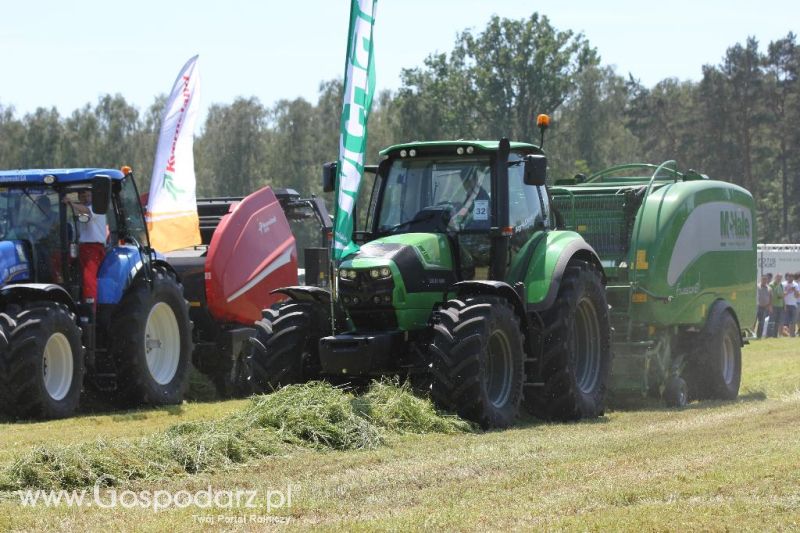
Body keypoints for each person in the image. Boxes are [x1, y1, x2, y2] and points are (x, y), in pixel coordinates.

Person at [64, 190, 107, 306]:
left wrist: (71, 204)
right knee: (58, 260)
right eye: (83, 196)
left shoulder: (97, 208)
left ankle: (90, 307)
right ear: (79, 197)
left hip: (93, 248)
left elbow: (87, 211)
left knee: (88, 277)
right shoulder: (79, 211)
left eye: (88, 195)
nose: (86, 198)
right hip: (80, 246)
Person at [783, 273, 799, 337]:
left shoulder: (796, 284)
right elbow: (782, 294)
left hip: (794, 305)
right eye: (789, 277)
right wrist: (789, 290)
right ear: (787, 277)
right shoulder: (783, 284)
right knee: (786, 321)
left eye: (792, 277)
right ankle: (785, 334)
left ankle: (792, 335)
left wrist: (795, 290)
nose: (791, 278)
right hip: (786, 304)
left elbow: (797, 296)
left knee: (793, 321)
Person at [756, 274, 772, 339]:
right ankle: (750, 335)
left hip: (764, 308)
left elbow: (771, 297)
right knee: (754, 322)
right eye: (763, 279)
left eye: (766, 279)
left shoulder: (769, 288)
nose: (764, 280)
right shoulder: (757, 286)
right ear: (761, 279)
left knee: (761, 322)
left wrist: (769, 306)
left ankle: (759, 336)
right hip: (757, 307)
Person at [769, 274, 785, 338]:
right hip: (774, 305)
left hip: (780, 306)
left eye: (781, 278)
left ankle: (775, 335)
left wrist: (784, 305)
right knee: (772, 321)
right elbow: (770, 296)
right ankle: (770, 335)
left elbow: (782, 296)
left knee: (778, 321)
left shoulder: (781, 285)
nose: (779, 279)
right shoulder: (771, 285)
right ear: (775, 277)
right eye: (778, 277)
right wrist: (770, 305)